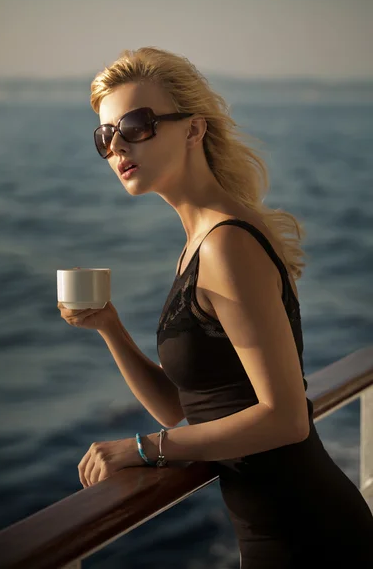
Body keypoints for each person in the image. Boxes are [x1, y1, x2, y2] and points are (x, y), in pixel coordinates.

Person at [58, 47, 373, 568]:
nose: (118, 147)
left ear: (193, 129)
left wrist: (143, 450)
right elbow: (186, 408)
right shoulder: (197, 241)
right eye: (105, 135)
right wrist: (110, 328)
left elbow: (286, 418)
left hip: (311, 539)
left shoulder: (226, 244)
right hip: (278, 533)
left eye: (136, 125)